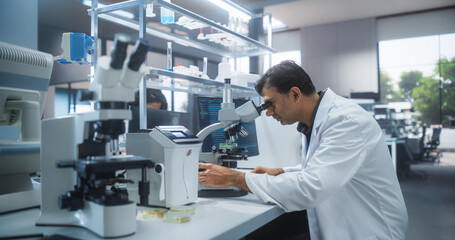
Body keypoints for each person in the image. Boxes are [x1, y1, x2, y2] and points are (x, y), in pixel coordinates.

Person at [198, 61, 408, 240]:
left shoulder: (346, 121)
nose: (269, 113)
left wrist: (236, 178)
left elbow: (311, 187)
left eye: (271, 104)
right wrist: (282, 172)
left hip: (371, 231)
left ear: (295, 94)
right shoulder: (317, 121)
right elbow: (324, 169)